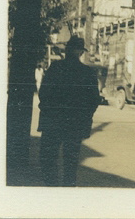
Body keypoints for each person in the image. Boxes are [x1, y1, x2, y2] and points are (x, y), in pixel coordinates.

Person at [38, 36, 100, 187]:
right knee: (70, 165)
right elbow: (94, 100)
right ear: (80, 52)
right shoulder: (88, 73)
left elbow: (43, 93)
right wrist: (85, 117)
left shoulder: (55, 68)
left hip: (53, 122)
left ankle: (51, 188)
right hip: (75, 125)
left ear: (66, 51)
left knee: (48, 160)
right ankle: (67, 195)